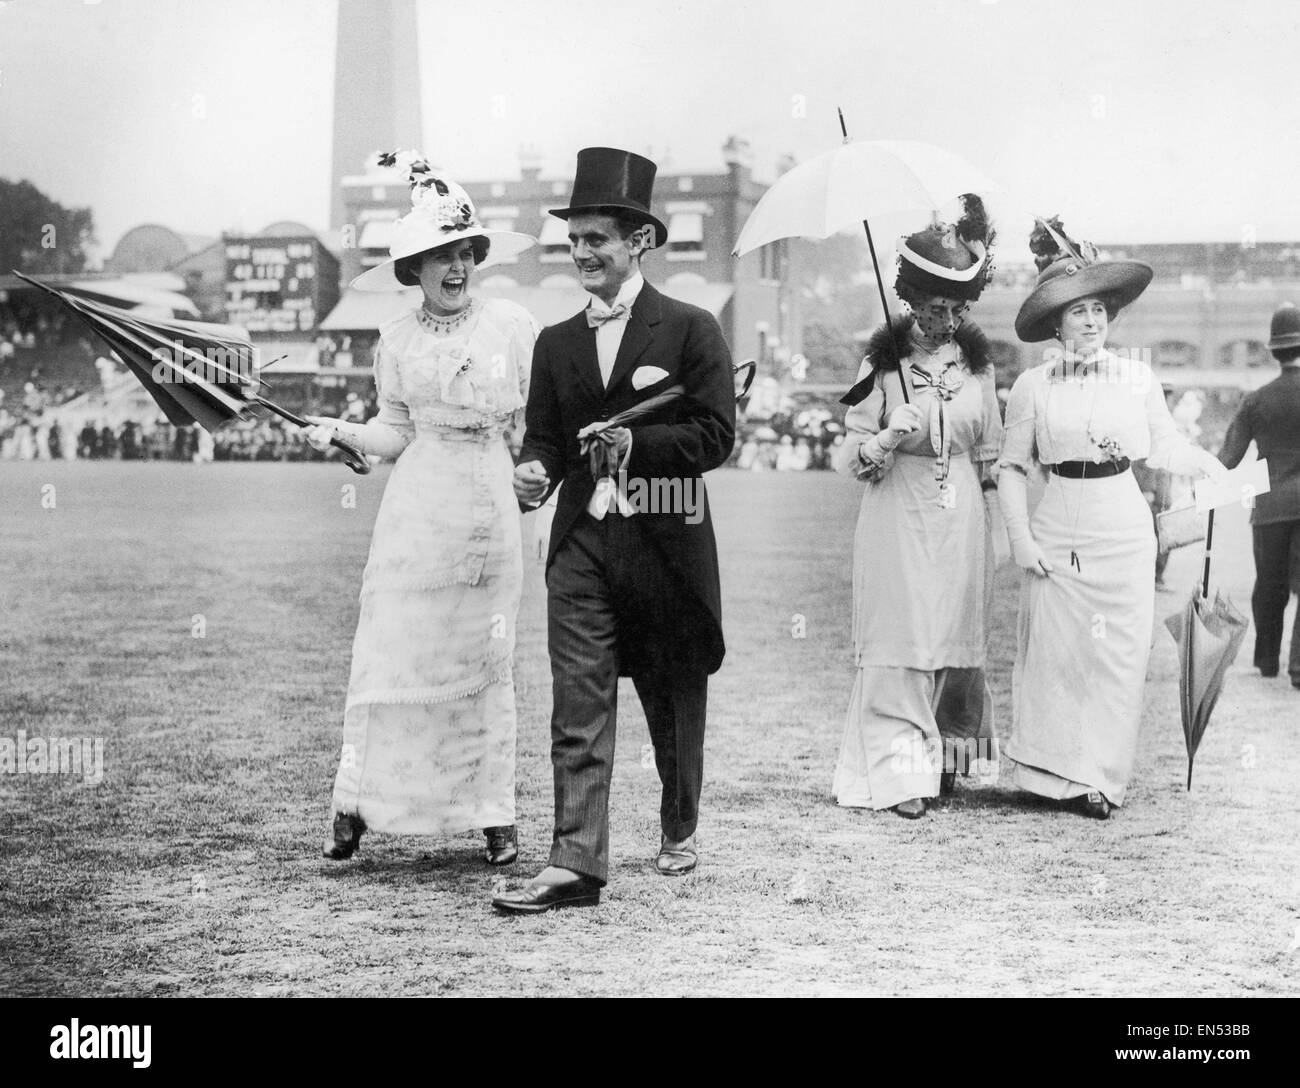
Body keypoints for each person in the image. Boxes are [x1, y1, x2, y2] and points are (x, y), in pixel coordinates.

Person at [492, 148, 736, 913]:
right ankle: (576, 861)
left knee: (671, 694)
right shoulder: (555, 342)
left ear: (640, 242)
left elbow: (716, 436)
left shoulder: (692, 329)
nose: (584, 253)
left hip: (666, 537)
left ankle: (678, 820)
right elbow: (543, 439)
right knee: (580, 698)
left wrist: (638, 444)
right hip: (580, 546)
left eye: (598, 238)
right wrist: (534, 471)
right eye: (576, 240)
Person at [305, 155, 538, 865]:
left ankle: (494, 816)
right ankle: (355, 809)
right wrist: (343, 433)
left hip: (492, 504)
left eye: (464, 251)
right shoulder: (395, 339)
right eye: (439, 255)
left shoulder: (512, 326)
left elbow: (540, 419)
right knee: (392, 649)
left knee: (483, 656)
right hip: (416, 510)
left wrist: (539, 469)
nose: (455, 266)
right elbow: (394, 431)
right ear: (414, 269)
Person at [998, 218, 1227, 819]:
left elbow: (1165, 447)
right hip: (1058, 529)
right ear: (1056, 321)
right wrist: (1020, 538)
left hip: (1124, 528)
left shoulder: (1138, 379)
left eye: (1100, 309)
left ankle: (1100, 778)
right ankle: (1052, 774)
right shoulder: (1031, 386)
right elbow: (1012, 468)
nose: (1092, 321)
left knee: (1118, 657)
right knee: (1057, 654)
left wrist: (1206, 463)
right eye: (1078, 311)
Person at [831, 197, 1002, 819]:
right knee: (902, 635)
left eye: (957, 307)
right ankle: (902, 772)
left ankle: (951, 756)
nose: (947, 318)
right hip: (896, 509)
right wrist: (882, 436)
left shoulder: (977, 367)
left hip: (961, 518)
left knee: (956, 633)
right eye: (935, 306)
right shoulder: (880, 367)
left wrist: (998, 527)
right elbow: (849, 456)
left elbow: (991, 453)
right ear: (910, 298)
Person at [1218, 302, 1300, 688]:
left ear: (1275, 351)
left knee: (1270, 585)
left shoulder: (1255, 399)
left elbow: (1228, 461)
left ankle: (1268, 660)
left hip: (1268, 507)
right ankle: (1299, 667)